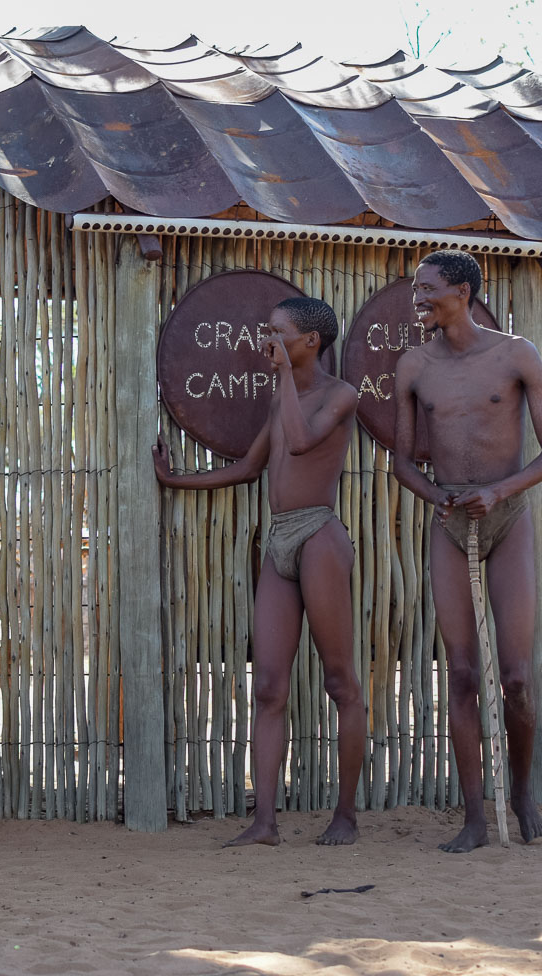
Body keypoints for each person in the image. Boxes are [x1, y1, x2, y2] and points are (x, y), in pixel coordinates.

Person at [153, 297, 366, 848]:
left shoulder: (341, 395)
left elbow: (301, 442)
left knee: (340, 682)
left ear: (310, 341)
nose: (266, 340)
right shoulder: (280, 397)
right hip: (280, 539)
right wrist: (176, 480)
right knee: (269, 686)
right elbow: (251, 467)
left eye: (277, 332)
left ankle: (345, 815)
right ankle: (265, 822)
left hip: (319, 535)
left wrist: (286, 380)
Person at [391, 249, 542, 852]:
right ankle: (473, 817)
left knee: (515, 677)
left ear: (462, 291)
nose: (418, 299)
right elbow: (402, 462)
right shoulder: (413, 366)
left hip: (507, 518)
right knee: (462, 673)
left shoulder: (516, 354)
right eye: (416, 289)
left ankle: (521, 795)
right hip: (450, 524)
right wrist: (437, 496)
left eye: (428, 289)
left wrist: (498, 492)